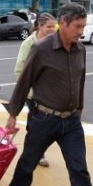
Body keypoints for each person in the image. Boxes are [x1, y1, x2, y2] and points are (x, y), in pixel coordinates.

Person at [3, 3, 93, 186]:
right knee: (28, 162)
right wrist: (12, 114)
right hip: (43, 119)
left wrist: (80, 106)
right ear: (62, 23)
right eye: (77, 26)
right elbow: (24, 81)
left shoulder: (80, 49)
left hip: (71, 122)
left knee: (80, 170)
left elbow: (81, 79)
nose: (81, 31)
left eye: (83, 26)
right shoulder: (41, 49)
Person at [14, 12, 57, 168]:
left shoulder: (54, 42)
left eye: (54, 26)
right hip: (33, 94)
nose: (52, 29)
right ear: (39, 26)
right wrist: (29, 92)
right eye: (49, 27)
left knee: (46, 125)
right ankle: (34, 156)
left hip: (50, 93)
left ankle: (36, 153)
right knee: (34, 125)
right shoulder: (28, 44)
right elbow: (19, 70)